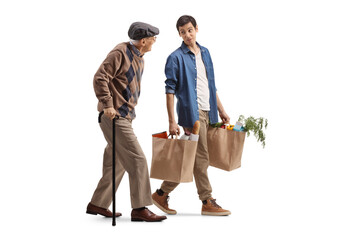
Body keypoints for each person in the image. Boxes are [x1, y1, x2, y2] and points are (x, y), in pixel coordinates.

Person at [87, 22, 166, 222]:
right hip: (114, 117)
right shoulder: (120, 52)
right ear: (142, 41)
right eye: (152, 38)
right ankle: (140, 208)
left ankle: (98, 203)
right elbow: (100, 78)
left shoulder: (140, 58)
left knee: (117, 162)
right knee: (138, 159)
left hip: (126, 117)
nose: (154, 41)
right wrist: (107, 104)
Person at [152, 15, 231, 216]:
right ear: (179, 34)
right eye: (182, 32)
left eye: (189, 30)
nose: (187, 35)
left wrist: (220, 110)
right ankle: (206, 200)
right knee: (201, 158)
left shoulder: (205, 53)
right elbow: (169, 91)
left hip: (209, 112)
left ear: (196, 28)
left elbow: (211, 85)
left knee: (190, 158)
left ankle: (161, 193)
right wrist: (172, 121)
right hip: (191, 115)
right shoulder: (175, 57)